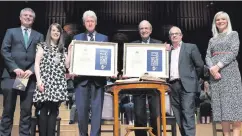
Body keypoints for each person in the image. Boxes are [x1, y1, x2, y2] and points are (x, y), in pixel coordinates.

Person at [0, 8, 44, 136]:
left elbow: (40, 57)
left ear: (33, 19)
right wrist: (15, 68)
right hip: (12, 76)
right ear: (20, 18)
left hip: (28, 78)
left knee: (26, 112)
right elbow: (5, 51)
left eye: (30, 16)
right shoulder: (11, 32)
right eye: (25, 15)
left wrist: (31, 71)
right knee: (8, 111)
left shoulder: (38, 35)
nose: (28, 17)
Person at [72, 10, 108, 136]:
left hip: (98, 82)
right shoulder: (76, 38)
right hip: (81, 81)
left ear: (96, 23)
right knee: (81, 112)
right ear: (84, 23)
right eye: (87, 21)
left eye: (92, 21)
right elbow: (73, 59)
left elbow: (107, 58)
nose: (90, 23)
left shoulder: (104, 38)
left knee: (97, 113)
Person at [205, 11, 242, 136]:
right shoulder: (212, 39)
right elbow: (207, 56)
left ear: (227, 21)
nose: (220, 21)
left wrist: (218, 66)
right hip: (216, 77)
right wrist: (212, 69)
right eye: (217, 20)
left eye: (223, 19)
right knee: (222, 109)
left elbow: (233, 52)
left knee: (234, 107)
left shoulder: (233, 34)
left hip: (230, 73)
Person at [33, 23, 71, 136]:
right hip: (45, 81)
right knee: (44, 110)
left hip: (58, 83)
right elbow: (36, 64)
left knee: (54, 111)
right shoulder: (42, 46)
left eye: (58, 31)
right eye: (53, 30)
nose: (56, 33)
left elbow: (67, 65)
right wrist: (39, 81)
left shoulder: (62, 49)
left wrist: (69, 50)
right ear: (50, 32)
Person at [167, 26, 204, 136]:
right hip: (172, 86)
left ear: (181, 36)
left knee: (188, 113)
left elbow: (200, 66)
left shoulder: (190, 47)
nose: (174, 35)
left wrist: (192, 79)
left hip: (187, 85)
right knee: (178, 115)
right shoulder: (167, 51)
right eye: (172, 34)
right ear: (169, 37)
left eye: (177, 33)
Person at [132, 20, 162, 136]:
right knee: (139, 114)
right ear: (139, 31)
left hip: (154, 83)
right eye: (141, 29)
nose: (144, 31)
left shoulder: (159, 44)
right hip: (138, 84)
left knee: (155, 114)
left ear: (150, 30)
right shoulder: (133, 46)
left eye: (146, 28)